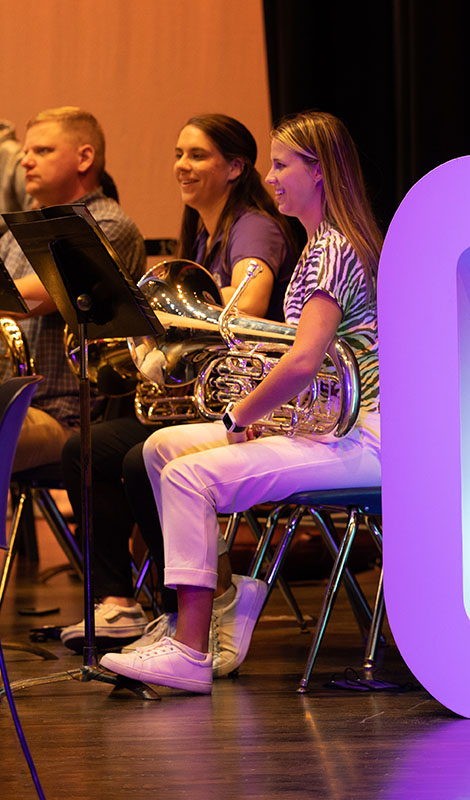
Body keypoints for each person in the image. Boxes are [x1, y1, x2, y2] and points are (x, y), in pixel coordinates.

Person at [102, 111, 383, 693]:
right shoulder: (316, 247)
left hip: (364, 435)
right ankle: (224, 602)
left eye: (282, 166)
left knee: (187, 478)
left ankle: (190, 649)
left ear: (319, 171)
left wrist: (241, 415)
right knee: (159, 449)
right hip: (331, 426)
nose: (271, 176)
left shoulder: (333, 249)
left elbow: (304, 361)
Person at [58, 114, 300, 660]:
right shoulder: (202, 232)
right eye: (178, 154)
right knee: (85, 449)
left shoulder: (253, 227)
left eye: (197, 156)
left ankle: (195, 605)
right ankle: (120, 601)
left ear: (235, 167)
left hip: (251, 406)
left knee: (139, 457)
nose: (181, 167)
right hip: (206, 399)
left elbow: (248, 306)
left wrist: (172, 311)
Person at [0, 107, 145, 473]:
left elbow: (27, 299)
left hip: (67, 415)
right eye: (26, 153)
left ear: (84, 158)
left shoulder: (106, 224)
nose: (26, 163)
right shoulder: (16, 234)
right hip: (14, 402)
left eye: (42, 152)